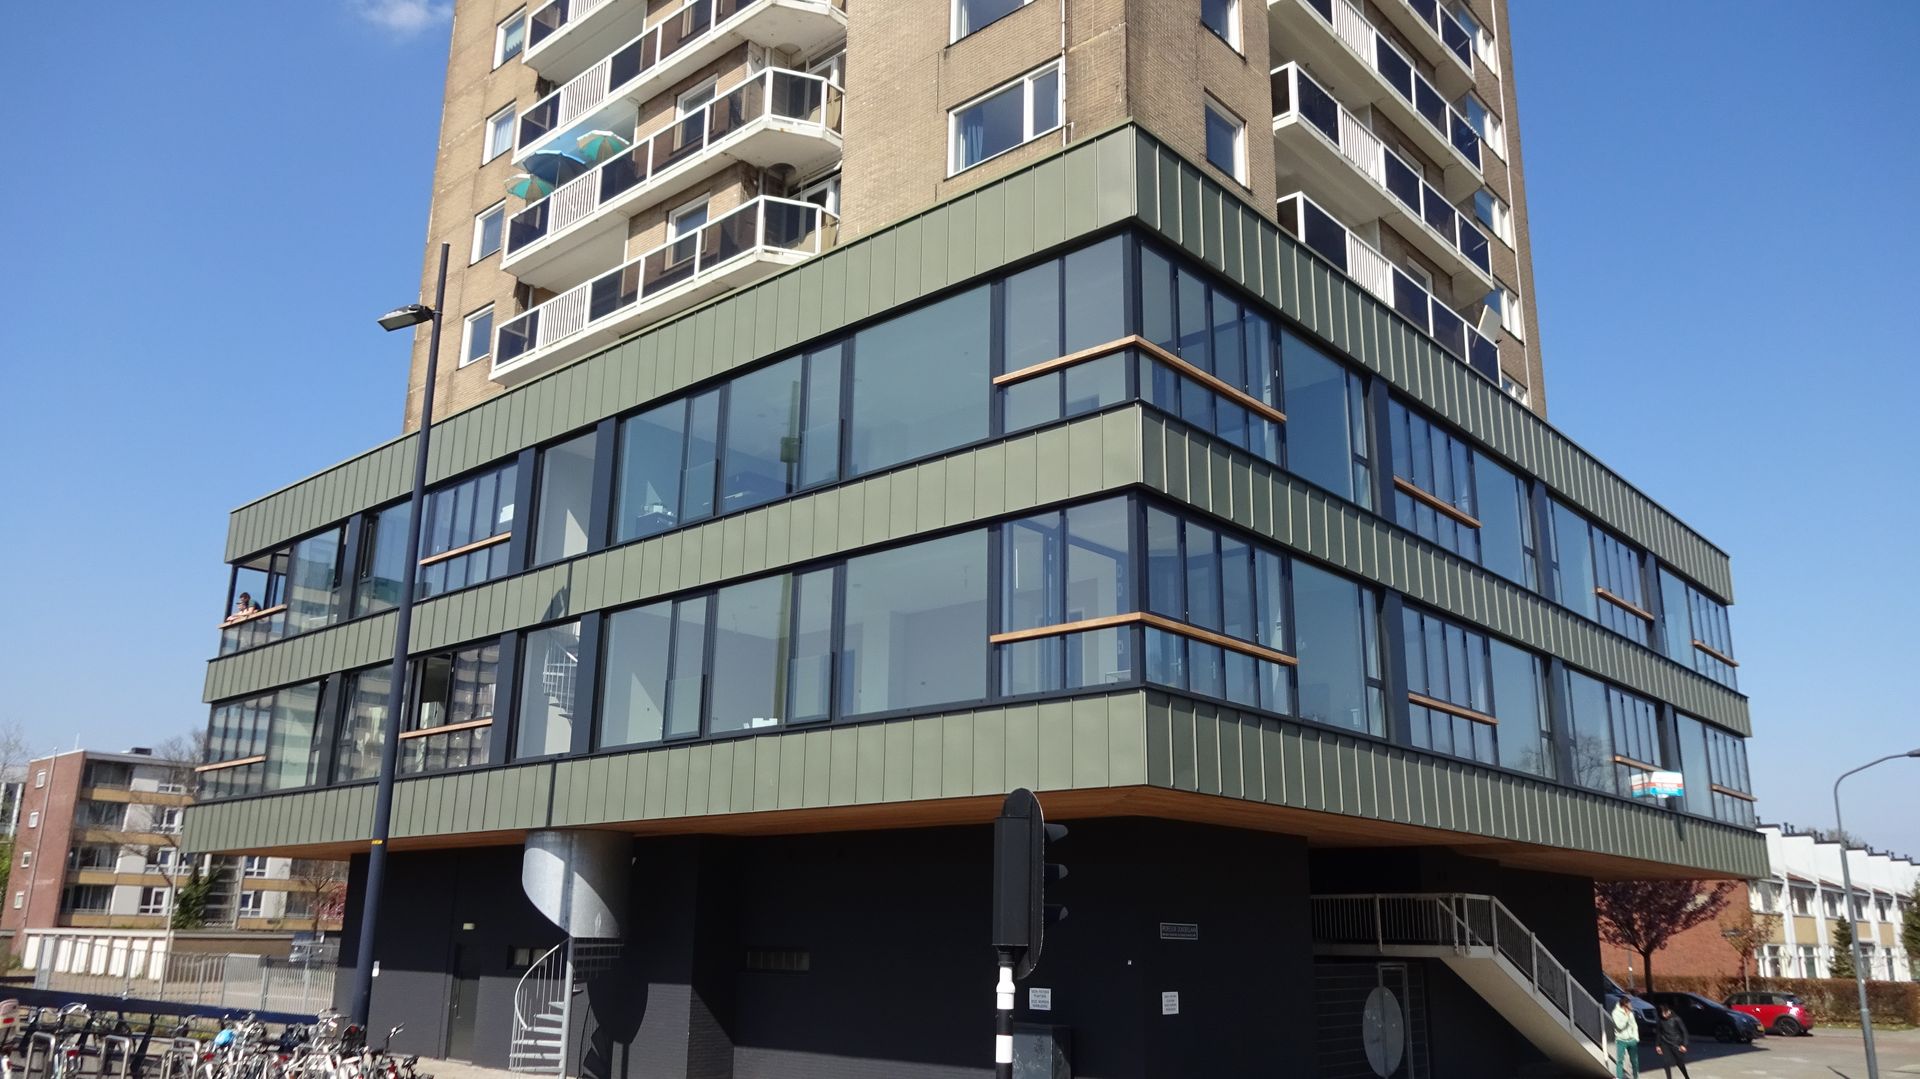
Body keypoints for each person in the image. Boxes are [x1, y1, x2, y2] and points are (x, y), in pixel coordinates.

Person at [1652, 1003, 1690, 1079]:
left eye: (1665, 1012)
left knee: (1680, 1063)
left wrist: (1684, 1045)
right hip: (1665, 1043)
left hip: (1676, 1043)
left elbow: (1684, 1032)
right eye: (1663, 1013)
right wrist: (1657, 1045)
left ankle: (1686, 1077)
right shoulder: (1660, 1020)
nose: (1664, 1015)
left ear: (1668, 1011)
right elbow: (1659, 1033)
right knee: (1666, 1063)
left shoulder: (1676, 1019)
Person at [1611, 997, 1641, 1079]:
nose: (1631, 1005)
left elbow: (1634, 1025)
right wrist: (1626, 1017)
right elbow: (1619, 1026)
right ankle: (1619, 1077)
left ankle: (1636, 1077)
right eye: (1629, 1004)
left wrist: (1636, 1038)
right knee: (1620, 1060)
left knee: (1634, 1061)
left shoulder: (1630, 1013)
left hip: (1632, 1040)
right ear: (1624, 1005)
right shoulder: (1615, 1013)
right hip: (1621, 1040)